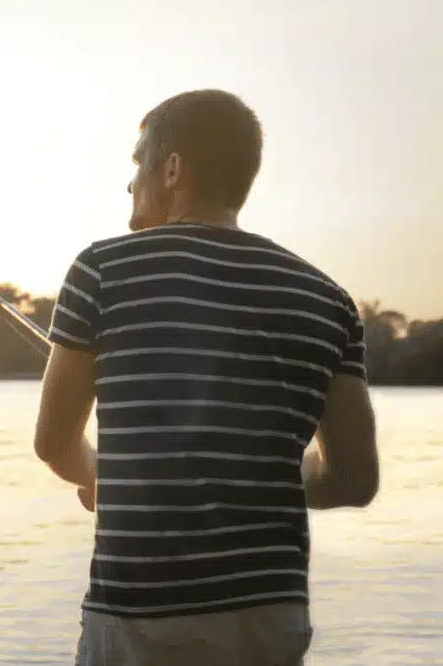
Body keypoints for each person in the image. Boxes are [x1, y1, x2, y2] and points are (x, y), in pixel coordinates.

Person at [33, 89, 380, 666]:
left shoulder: (101, 270)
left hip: (144, 613)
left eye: (138, 162)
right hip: (270, 616)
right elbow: (353, 478)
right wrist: (255, 480)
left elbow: (54, 444)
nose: (129, 182)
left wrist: (108, 475)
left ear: (173, 170)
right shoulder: (328, 300)